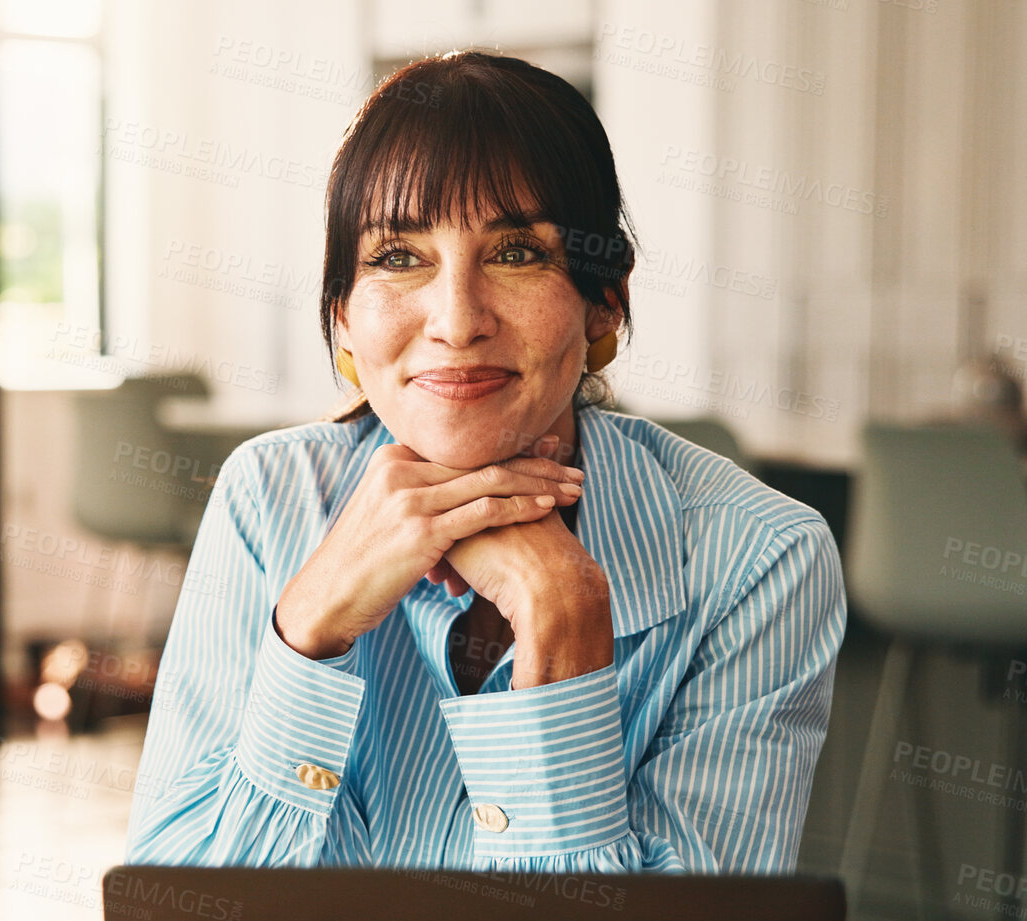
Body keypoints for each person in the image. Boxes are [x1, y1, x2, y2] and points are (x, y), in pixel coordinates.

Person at [124, 51, 847, 874]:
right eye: (398, 257)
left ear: (603, 299)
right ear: (343, 321)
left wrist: (563, 629)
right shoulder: (269, 498)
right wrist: (308, 631)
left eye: (516, 253)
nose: (457, 320)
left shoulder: (758, 557)